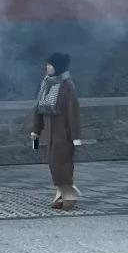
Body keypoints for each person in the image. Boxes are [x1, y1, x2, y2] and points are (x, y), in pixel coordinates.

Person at [31, 52, 82, 211]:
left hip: (64, 133)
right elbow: (39, 108)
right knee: (54, 164)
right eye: (47, 64)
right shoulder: (46, 83)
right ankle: (61, 194)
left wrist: (75, 136)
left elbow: (73, 112)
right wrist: (36, 130)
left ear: (58, 67)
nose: (47, 67)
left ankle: (69, 196)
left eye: (50, 65)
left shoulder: (67, 86)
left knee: (63, 165)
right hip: (51, 133)